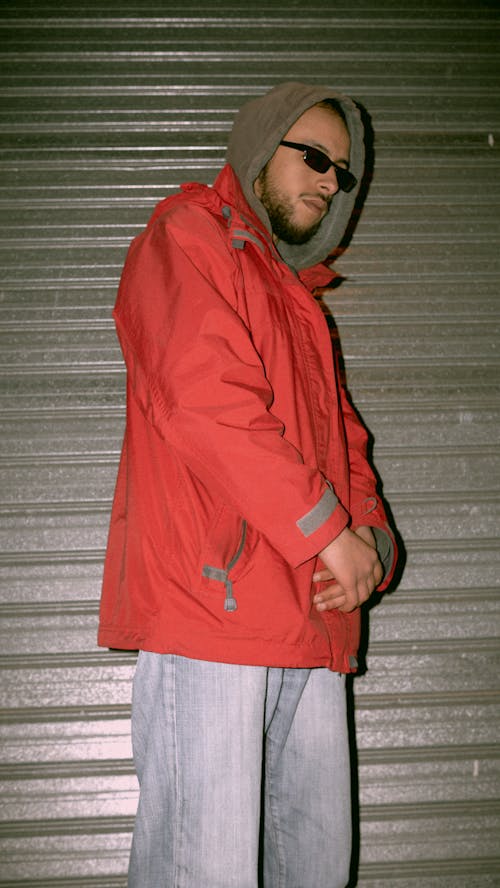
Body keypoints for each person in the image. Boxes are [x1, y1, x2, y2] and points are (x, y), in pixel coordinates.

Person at [98, 81, 397, 888]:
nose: (331, 182)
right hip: (216, 615)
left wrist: (370, 541)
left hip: (312, 625)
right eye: (312, 157)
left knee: (315, 867)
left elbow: (350, 447)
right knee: (205, 870)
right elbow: (205, 401)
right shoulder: (190, 235)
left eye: (341, 171)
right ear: (262, 150)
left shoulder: (301, 304)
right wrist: (327, 532)